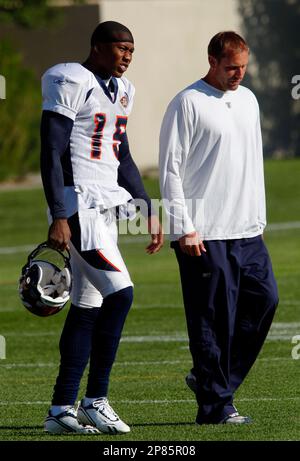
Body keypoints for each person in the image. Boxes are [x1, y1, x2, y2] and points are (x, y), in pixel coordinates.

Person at [40, 21, 163, 435]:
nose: (127, 55)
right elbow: (51, 149)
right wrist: (59, 213)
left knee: (87, 305)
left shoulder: (123, 90)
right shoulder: (70, 78)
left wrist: (146, 205)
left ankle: (60, 410)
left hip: (107, 206)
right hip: (80, 205)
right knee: (122, 293)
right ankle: (95, 399)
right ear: (97, 47)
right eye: (120, 47)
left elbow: (122, 154)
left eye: (132, 49)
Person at [159, 31, 278, 425]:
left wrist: (257, 221)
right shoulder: (187, 102)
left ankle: (211, 380)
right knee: (213, 320)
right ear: (212, 60)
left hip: (247, 230)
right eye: (231, 67)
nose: (238, 74)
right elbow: (170, 170)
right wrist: (184, 228)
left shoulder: (248, 99)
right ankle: (215, 406)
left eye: (243, 67)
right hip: (204, 234)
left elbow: (251, 165)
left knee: (265, 301)